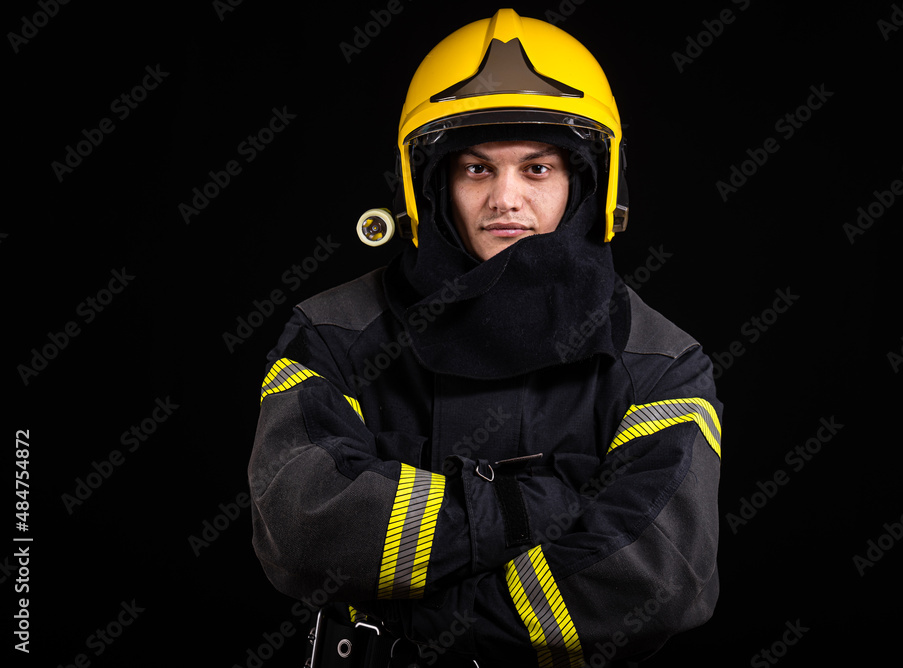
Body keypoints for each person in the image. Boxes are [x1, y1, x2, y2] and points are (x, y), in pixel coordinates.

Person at [249, 9, 722, 667]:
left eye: (536, 170)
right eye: (476, 169)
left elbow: (661, 576)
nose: (505, 198)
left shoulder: (660, 362)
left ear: (587, 184)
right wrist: (541, 504)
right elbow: (299, 526)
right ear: (430, 185)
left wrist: (425, 622)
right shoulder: (330, 335)